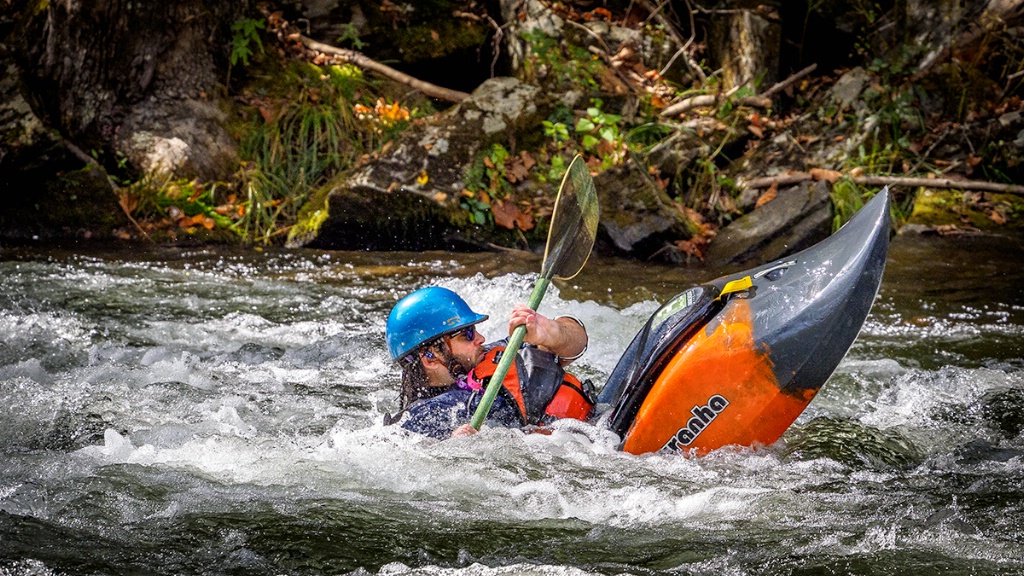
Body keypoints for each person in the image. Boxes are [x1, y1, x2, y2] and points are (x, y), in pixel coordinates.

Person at [384, 286, 595, 439]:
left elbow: (577, 343)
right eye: (466, 334)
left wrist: (551, 333)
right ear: (429, 357)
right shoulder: (416, 422)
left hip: (599, 429)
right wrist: (450, 452)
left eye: (474, 329)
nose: (481, 338)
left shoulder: (500, 355)